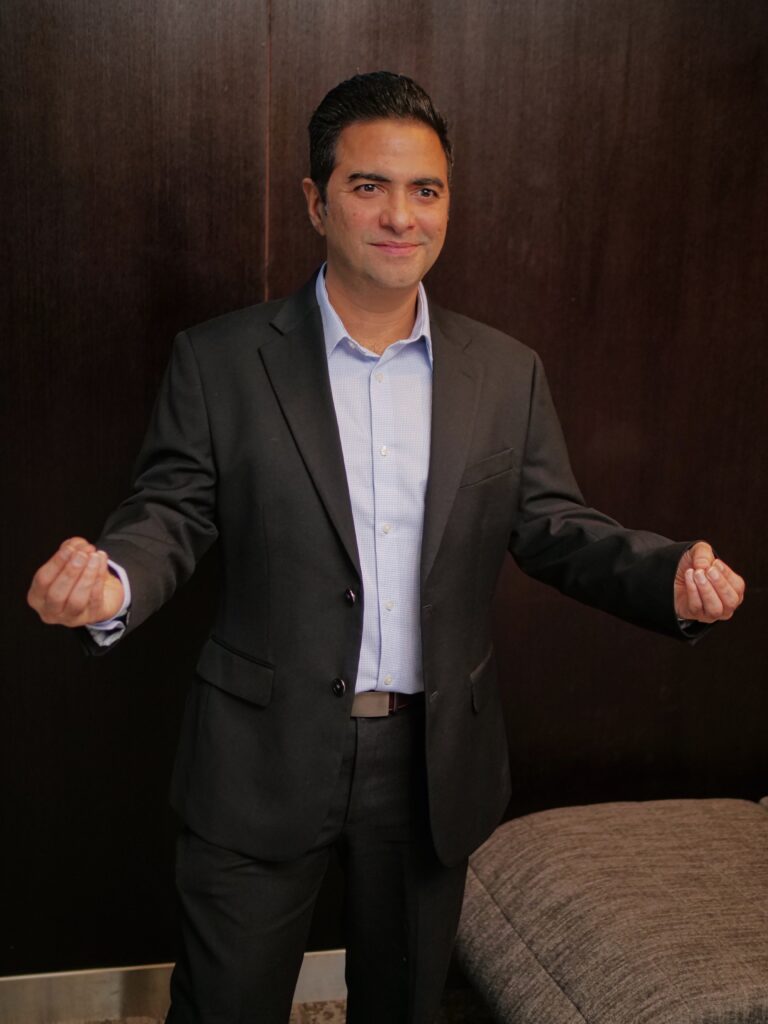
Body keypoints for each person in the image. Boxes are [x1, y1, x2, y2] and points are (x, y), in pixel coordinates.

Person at [27, 72, 745, 1024]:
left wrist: (671, 576)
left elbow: (556, 527)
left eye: (426, 191)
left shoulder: (504, 370)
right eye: (369, 187)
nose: (401, 216)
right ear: (316, 202)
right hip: (259, 755)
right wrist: (109, 581)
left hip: (432, 759)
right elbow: (171, 512)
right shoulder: (218, 359)